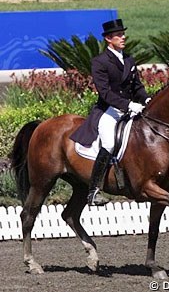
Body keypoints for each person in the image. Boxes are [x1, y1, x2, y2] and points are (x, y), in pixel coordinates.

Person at [70, 19, 150, 206]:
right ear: (108, 39)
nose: (123, 38)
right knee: (109, 142)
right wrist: (129, 105)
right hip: (109, 111)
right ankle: (94, 190)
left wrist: (145, 99)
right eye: (119, 35)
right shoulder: (100, 62)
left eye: (123, 34)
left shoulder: (129, 59)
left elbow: (137, 86)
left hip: (130, 109)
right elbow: (105, 93)